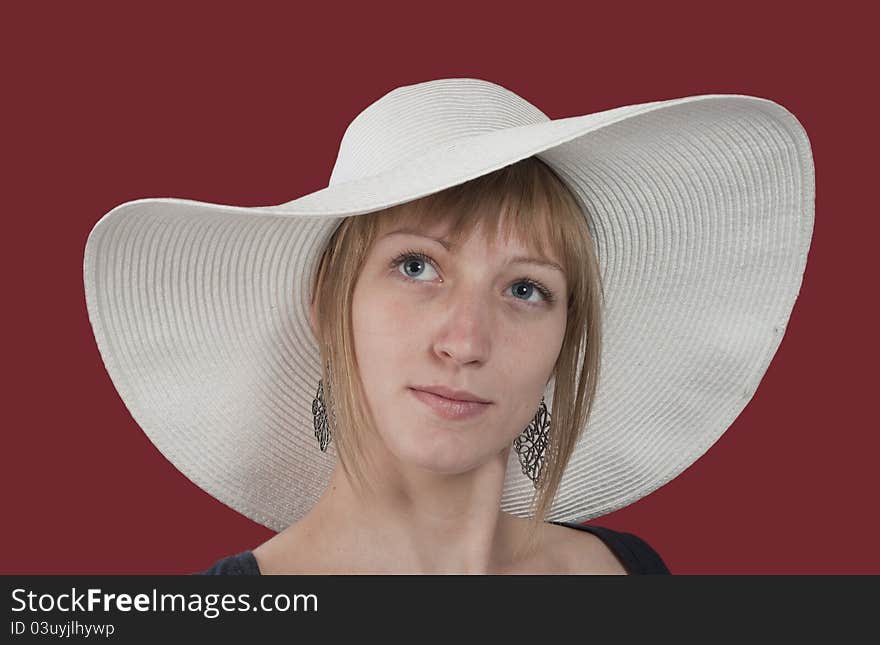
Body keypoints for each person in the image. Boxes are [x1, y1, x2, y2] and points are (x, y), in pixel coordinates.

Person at [82, 77, 815, 575]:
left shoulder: (630, 571)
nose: (466, 342)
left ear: (567, 340)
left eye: (526, 288)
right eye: (416, 267)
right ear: (326, 305)